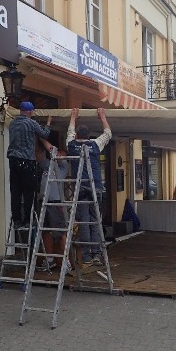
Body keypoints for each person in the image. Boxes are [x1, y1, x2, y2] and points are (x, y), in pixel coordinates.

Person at [67, 107, 112, 265]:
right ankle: (96, 254)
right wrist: (102, 116)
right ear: (89, 135)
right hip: (95, 187)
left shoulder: (71, 145)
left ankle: (86, 256)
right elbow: (107, 134)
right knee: (95, 221)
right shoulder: (95, 145)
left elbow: (70, 131)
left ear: (78, 135)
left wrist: (73, 116)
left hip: (80, 188)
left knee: (84, 221)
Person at [6, 101, 52, 229]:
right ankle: (27, 220)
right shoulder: (31, 123)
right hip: (26, 160)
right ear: (31, 112)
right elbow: (44, 134)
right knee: (28, 192)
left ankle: (16, 220)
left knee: (15, 191)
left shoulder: (13, 123)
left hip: (13, 160)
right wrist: (48, 123)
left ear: (20, 111)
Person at [37, 138, 69, 270]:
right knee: (46, 232)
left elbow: (53, 152)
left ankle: (66, 261)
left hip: (55, 204)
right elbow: (38, 156)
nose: (59, 155)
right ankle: (49, 260)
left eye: (62, 154)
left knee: (61, 233)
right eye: (58, 152)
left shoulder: (63, 166)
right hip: (43, 203)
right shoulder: (47, 165)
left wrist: (42, 136)